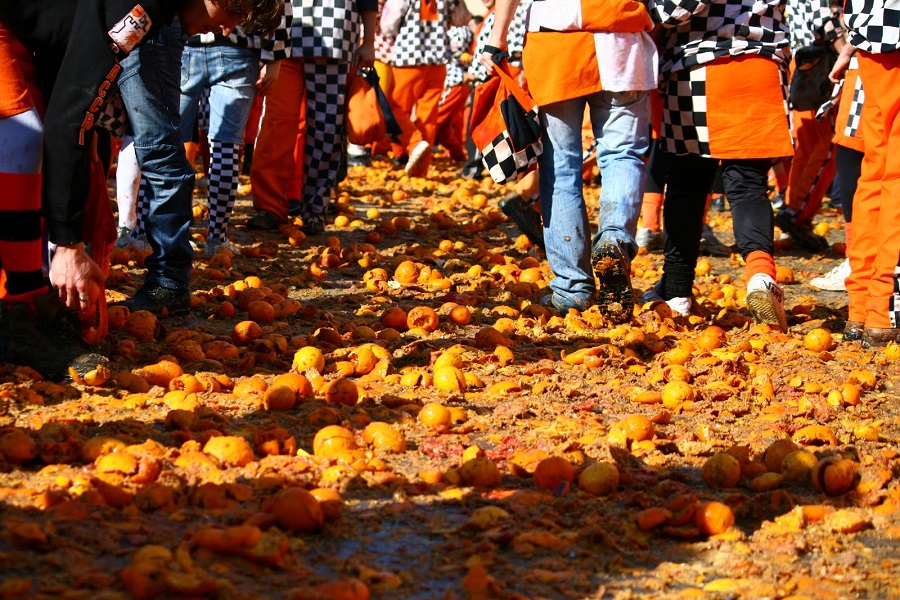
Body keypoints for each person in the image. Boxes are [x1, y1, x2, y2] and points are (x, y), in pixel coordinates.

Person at [0, 0, 282, 378]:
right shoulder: (138, 8)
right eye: (235, 16)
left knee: (43, 141)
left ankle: (27, 295)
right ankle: (20, 307)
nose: (228, 31)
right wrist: (67, 245)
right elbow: (71, 119)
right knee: (23, 139)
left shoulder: (154, 14)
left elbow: (72, 102)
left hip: (22, 31)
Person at [481, 0, 657, 324]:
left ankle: (571, 287)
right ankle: (615, 238)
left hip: (556, 42)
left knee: (560, 168)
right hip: (620, 35)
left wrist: (497, 37)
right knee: (623, 154)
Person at [645, 0, 795, 331]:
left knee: (686, 185)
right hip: (762, 64)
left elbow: (675, 9)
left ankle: (677, 292)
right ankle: (761, 274)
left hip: (698, 67)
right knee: (749, 184)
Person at [248, 0, 377, 235]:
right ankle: (269, 208)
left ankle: (315, 210)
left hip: (333, 37)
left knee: (325, 127)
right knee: (276, 123)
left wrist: (369, 42)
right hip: (282, 36)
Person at [179, 0, 291, 255]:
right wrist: (275, 57)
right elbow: (278, 5)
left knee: (171, 141)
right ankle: (216, 238)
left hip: (189, 44)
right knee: (225, 146)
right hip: (236, 51)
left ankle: (162, 232)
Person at [830, 0, 900, 346]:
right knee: (893, 173)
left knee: (877, 168)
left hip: (872, 34)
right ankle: (885, 306)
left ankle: (863, 307)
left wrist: (852, 40)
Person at [773, 0, 846, 252]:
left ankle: (794, 209)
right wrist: (846, 51)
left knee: (808, 144)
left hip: (802, 62)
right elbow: (826, 18)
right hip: (821, 65)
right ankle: (797, 212)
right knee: (828, 146)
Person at [382, 0, 471, 177]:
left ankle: (415, 144)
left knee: (393, 109)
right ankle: (419, 172)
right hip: (438, 61)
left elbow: (388, 26)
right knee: (428, 117)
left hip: (408, 59)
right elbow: (463, 19)